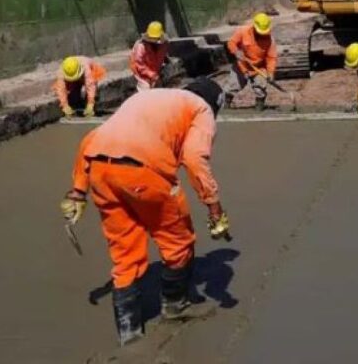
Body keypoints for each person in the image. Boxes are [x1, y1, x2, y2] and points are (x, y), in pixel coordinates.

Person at [59, 79, 230, 346]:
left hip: (100, 171)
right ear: (214, 104)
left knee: (124, 253)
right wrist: (214, 207)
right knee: (178, 241)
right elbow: (195, 158)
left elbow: (92, 138)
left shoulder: (146, 98)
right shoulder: (201, 108)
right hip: (143, 171)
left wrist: (78, 191)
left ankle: (129, 332)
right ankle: (175, 307)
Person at [223, 13, 277, 111]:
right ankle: (225, 106)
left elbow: (271, 58)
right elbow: (231, 43)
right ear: (254, 27)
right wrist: (236, 51)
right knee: (232, 86)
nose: (262, 34)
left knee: (260, 87)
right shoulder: (243, 31)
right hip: (241, 65)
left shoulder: (270, 40)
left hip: (258, 68)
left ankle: (259, 107)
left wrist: (270, 73)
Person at [129, 21, 170, 92]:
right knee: (145, 88)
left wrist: (165, 59)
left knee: (158, 88)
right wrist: (152, 75)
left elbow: (162, 54)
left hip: (155, 68)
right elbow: (139, 64)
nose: (154, 41)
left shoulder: (164, 44)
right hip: (141, 71)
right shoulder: (141, 47)